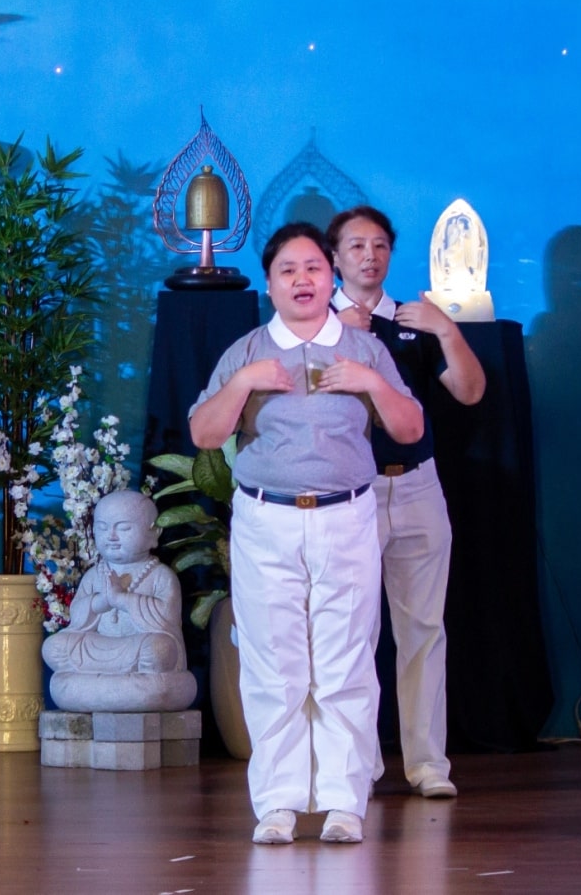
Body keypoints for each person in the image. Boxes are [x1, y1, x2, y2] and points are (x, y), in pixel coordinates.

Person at [190, 222, 425, 846]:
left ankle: (346, 802)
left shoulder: (364, 349)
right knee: (273, 663)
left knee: (346, 660)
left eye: (314, 268)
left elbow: (407, 428)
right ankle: (278, 804)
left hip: (345, 514)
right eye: (288, 270)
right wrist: (243, 385)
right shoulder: (245, 352)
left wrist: (371, 382)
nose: (302, 280)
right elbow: (205, 435)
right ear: (269, 283)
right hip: (265, 518)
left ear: (332, 277)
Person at [327, 205, 486, 800]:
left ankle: (427, 763)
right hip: (354, 492)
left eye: (380, 246)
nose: (370, 256)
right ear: (335, 258)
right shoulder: (318, 324)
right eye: (356, 247)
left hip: (418, 484)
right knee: (354, 632)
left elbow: (469, 393)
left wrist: (448, 330)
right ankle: (359, 763)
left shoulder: (414, 321)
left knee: (423, 629)